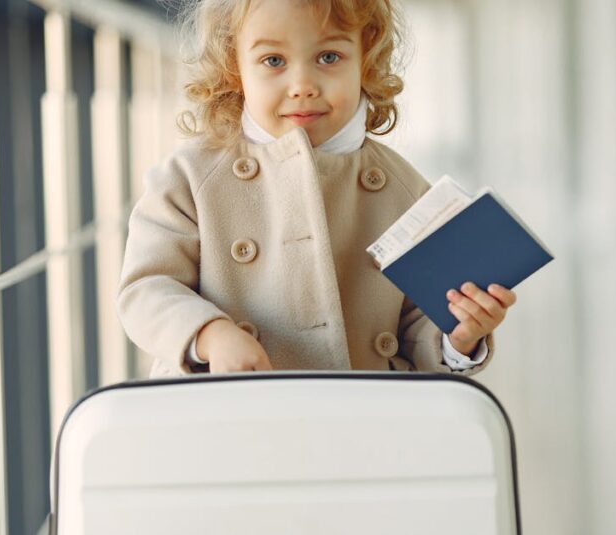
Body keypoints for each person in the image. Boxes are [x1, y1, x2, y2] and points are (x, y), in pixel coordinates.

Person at [117, 0, 517, 376]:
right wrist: (209, 334)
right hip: (226, 417)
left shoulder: (407, 192)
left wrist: (459, 337)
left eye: (329, 57)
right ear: (233, 67)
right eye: (273, 60)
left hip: (360, 427)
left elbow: (419, 324)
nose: (302, 85)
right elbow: (146, 289)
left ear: (366, 59)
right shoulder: (189, 177)